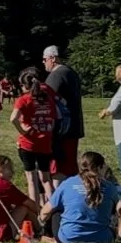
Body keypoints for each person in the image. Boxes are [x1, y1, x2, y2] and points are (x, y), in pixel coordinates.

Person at [44, 150, 121, 243]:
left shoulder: (68, 183)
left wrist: (40, 223)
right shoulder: (110, 187)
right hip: (102, 239)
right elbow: (118, 209)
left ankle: (52, 237)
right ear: (100, 167)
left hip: (69, 238)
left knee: (56, 211)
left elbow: (45, 211)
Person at [10, 69, 58, 203]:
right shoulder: (47, 99)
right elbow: (53, 120)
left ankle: (36, 212)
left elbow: (13, 118)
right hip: (45, 144)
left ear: (25, 85)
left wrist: (23, 131)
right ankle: (54, 210)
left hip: (28, 144)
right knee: (46, 179)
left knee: (32, 180)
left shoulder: (23, 100)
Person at [42, 45, 85, 186]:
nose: (43, 62)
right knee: (70, 166)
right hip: (73, 126)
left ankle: (59, 200)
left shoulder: (56, 75)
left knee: (59, 167)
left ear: (53, 59)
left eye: (45, 59)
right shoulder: (70, 72)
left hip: (62, 130)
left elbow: (45, 98)